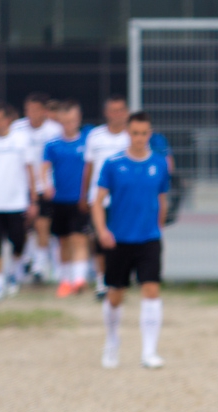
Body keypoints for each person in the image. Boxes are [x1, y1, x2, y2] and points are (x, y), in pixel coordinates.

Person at [92, 111, 170, 369]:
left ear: (150, 134)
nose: (139, 138)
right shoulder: (113, 164)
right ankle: (111, 342)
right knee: (115, 294)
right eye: (135, 133)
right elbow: (97, 202)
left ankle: (149, 351)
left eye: (144, 133)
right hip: (119, 240)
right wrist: (103, 230)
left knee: (151, 290)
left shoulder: (159, 164)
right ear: (128, 133)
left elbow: (162, 198)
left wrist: (158, 226)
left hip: (149, 239)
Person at [0, 102, 38, 302]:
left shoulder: (21, 140)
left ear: (7, 120)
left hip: (16, 203)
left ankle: (14, 274)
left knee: (18, 241)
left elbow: (30, 171)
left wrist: (33, 200)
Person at [81, 94, 130, 300]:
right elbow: (89, 167)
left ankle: (119, 282)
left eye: (120, 110)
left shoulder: (131, 137)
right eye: (112, 110)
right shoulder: (95, 136)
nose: (116, 115)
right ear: (106, 113)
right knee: (100, 242)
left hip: (124, 201)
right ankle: (102, 282)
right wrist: (84, 195)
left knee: (123, 243)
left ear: (126, 113)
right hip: (100, 200)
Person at [13, 92, 63, 283]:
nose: (31, 113)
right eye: (28, 110)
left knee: (42, 224)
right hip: (21, 185)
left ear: (44, 111)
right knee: (24, 226)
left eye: (35, 110)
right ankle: (24, 261)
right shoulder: (17, 128)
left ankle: (39, 266)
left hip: (44, 185)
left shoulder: (54, 130)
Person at [43, 100, 91, 297]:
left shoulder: (86, 142)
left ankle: (79, 280)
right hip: (60, 199)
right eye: (65, 122)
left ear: (78, 119)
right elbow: (44, 167)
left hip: (79, 199)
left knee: (79, 239)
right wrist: (46, 185)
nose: (68, 125)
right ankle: (65, 281)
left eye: (72, 121)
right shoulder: (53, 145)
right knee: (63, 241)